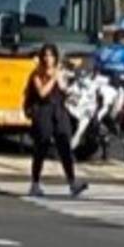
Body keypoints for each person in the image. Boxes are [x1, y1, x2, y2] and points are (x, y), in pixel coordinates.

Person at [23, 43, 89, 199]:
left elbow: (64, 90)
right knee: (42, 146)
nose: (48, 59)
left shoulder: (59, 73)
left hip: (59, 111)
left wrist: (63, 82)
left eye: (51, 56)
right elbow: (42, 93)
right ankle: (35, 183)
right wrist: (53, 78)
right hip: (43, 112)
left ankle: (72, 182)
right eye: (45, 55)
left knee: (64, 145)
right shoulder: (37, 74)